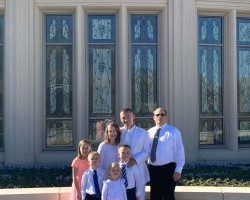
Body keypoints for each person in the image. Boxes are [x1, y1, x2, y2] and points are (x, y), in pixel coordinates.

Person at [148, 107, 185, 200]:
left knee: (168, 196)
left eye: (162, 114)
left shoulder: (174, 131)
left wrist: (178, 170)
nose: (160, 116)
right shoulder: (149, 132)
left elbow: (179, 151)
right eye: (157, 115)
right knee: (155, 197)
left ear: (166, 117)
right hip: (153, 169)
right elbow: (146, 150)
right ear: (154, 117)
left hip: (168, 169)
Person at [119, 108, 150, 200]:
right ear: (121, 119)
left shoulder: (143, 133)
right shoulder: (118, 132)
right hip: (122, 170)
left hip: (139, 169)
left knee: (139, 197)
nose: (126, 119)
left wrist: (135, 160)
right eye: (123, 117)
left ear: (133, 117)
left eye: (128, 117)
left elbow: (147, 151)